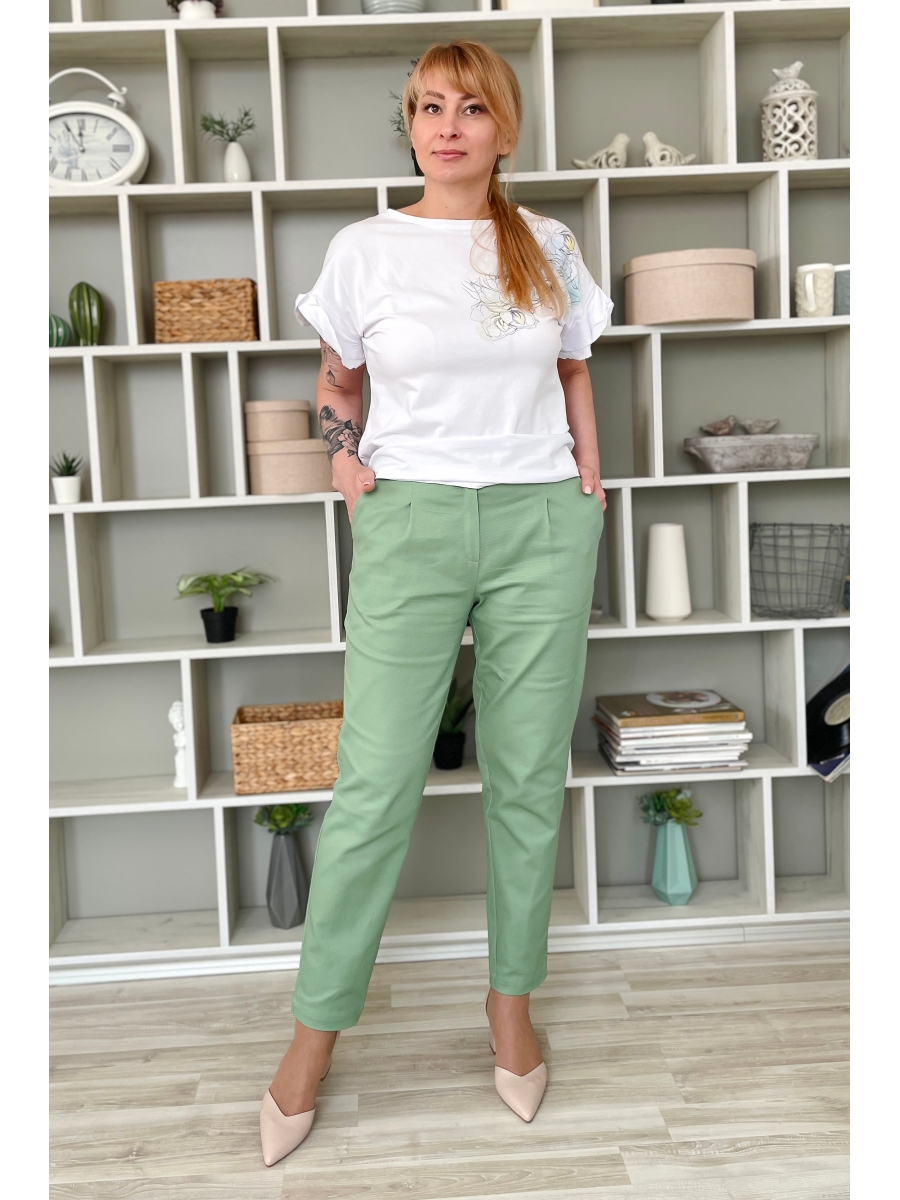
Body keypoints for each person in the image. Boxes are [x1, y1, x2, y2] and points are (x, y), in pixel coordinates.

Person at [259, 38, 613, 1167]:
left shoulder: (548, 243)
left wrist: (590, 482)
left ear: (504, 127)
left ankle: (511, 1008)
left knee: (528, 776)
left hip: (540, 521)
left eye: (468, 107)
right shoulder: (365, 248)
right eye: (426, 107)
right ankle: (313, 1034)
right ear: (410, 127)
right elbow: (339, 378)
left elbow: (571, 370)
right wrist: (344, 462)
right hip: (409, 521)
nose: (446, 126)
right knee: (374, 783)